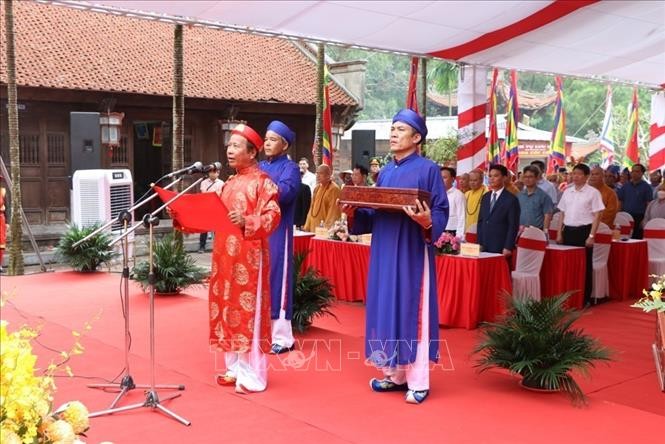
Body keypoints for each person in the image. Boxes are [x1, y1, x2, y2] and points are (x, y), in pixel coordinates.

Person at [348, 108, 449, 404]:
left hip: (412, 250)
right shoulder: (386, 172)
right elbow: (374, 211)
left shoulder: (428, 169)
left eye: (401, 129)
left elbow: (441, 210)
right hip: (383, 249)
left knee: (411, 307)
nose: (393, 133)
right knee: (385, 305)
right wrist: (355, 212)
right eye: (392, 128)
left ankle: (418, 380)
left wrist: (427, 222)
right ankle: (393, 374)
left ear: (416, 137)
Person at [175, 123, 281, 393]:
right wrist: (183, 219)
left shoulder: (263, 183)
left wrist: (247, 220)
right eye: (229, 145)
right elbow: (212, 218)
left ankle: (254, 374)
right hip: (224, 257)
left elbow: (273, 216)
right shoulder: (229, 184)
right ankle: (234, 367)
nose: (229, 150)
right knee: (226, 310)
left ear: (252, 152)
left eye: (236, 146)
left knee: (248, 314)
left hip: (249, 259)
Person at [259, 121, 302, 355]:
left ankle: (283, 338)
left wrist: (259, 188)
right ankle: (263, 330)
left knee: (277, 279)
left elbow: (285, 193)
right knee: (260, 280)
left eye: (273, 139)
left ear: (284, 145)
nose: (267, 142)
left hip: (278, 232)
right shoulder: (259, 166)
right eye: (266, 138)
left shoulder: (291, 169)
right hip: (258, 232)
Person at [556, 163, 605, 306]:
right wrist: (559, 232)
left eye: (579, 174)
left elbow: (598, 215)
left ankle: (584, 298)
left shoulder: (593, 193)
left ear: (586, 176)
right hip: (568, 231)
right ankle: (567, 297)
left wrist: (591, 236)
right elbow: (562, 213)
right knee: (568, 266)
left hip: (584, 231)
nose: (575, 176)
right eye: (573, 173)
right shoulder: (567, 191)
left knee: (584, 267)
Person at [477, 164, 520, 255]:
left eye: (496, 176)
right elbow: (481, 221)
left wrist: (508, 246)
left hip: (500, 244)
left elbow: (513, 225)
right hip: (484, 243)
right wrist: (480, 242)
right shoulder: (486, 197)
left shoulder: (511, 199)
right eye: (490, 176)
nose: (492, 179)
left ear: (504, 178)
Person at [617, 163, 653, 239]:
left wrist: (645, 219)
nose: (634, 173)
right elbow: (620, 201)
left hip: (639, 218)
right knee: (623, 238)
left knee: (636, 238)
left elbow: (649, 204)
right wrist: (618, 214)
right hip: (625, 216)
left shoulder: (646, 187)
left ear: (642, 173)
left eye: (637, 171)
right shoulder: (626, 186)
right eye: (632, 171)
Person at [303, 164, 341, 232]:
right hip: (312, 228)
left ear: (328, 175)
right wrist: (307, 226)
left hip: (323, 231)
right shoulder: (317, 188)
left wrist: (326, 230)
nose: (317, 176)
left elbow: (333, 212)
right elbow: (311, 210)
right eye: (317, 173)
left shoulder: (334, 189)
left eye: (321, 173)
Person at [517, 165, 553, 232]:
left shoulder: (544, 196)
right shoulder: (519, 195)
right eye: (525, 177)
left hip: (536, 232)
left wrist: (545, 233)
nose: (527, 179)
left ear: (537, 178)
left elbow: (547, 216)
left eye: (530, 177)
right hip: (520, 231)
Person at [198, 165, 224, 252]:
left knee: (217, 229)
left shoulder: (221, 183)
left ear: (218, 173)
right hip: (206, 207)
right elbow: (204, 193)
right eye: (211, 172)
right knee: (204, 228)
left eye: (215, 172)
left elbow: (221, 195)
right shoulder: (203, 182)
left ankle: (218, 247)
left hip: (217, 207)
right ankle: (202, 246)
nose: (213, 174)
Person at [440, 166, 465, 239]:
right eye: (440, 177)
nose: (441, 180)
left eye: (444, 177)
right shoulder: (436, 194)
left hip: (451, 233)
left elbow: (462, 217)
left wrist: (459, 237)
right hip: (438, 230)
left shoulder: (458, 195)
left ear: (453, 179)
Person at [0, 175, 6, 274]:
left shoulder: (3, 192)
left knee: (1, 243)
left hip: (0, 219)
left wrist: (8, 222)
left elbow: (7, 207)